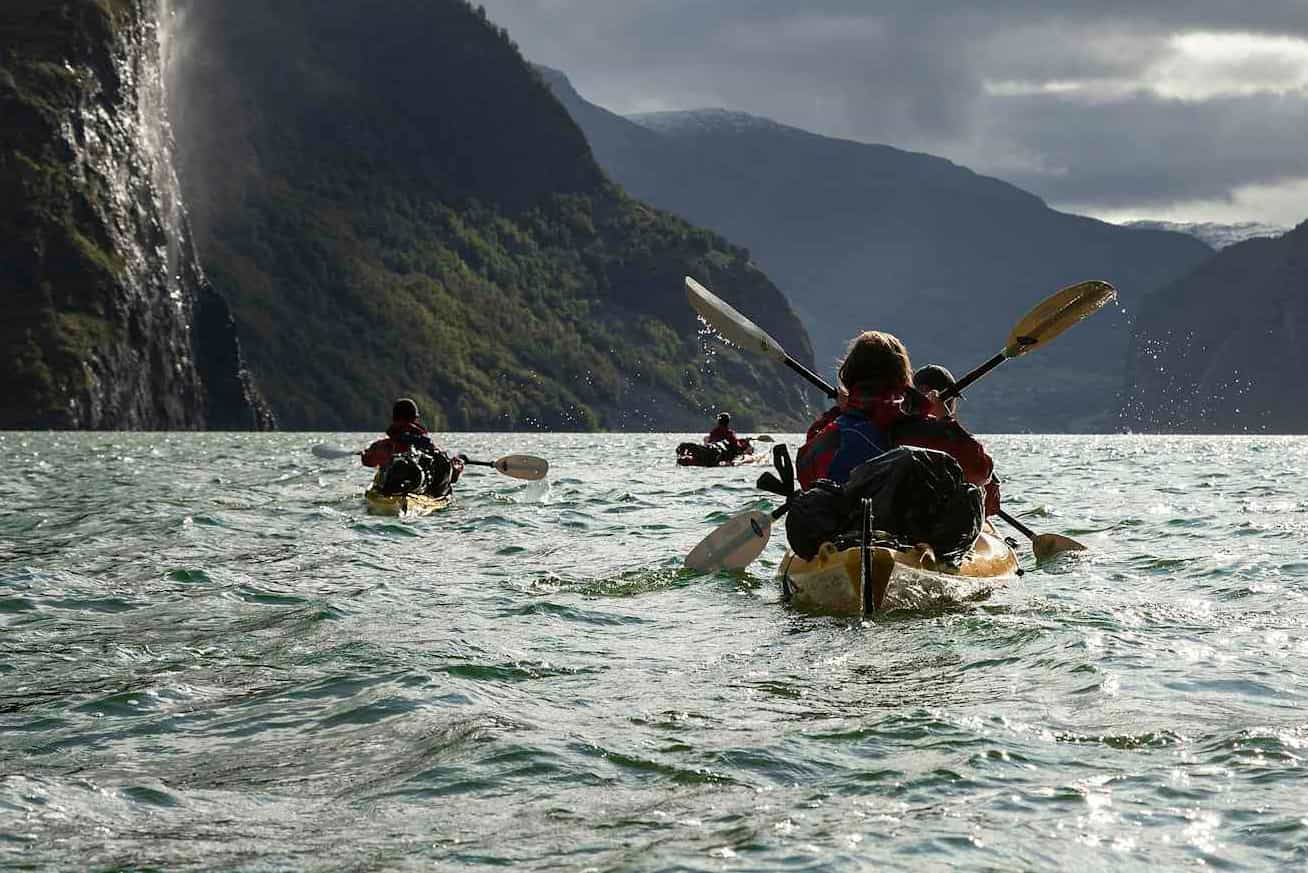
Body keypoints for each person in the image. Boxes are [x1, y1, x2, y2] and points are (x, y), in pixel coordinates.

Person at [795, 334, 998, 514]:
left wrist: (838, 412)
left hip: (845, 535)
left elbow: (807, 478)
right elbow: (980, 471)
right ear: (903, 379)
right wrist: (945, 420)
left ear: (848, 378)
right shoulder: (930, 432)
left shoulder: (832, 434)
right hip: (918, 540)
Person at [896, 364, 1001, 516]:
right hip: (940, 524)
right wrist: (945, 420)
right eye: (951, 400)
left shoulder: (892, 429)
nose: (952, 406)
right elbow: (990, 503)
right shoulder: (958, 439)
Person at [362, 398, 463, 496]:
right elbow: (452, 477)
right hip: (419, 485)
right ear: (415, 418)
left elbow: (367, 461)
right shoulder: (427, 445)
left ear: (393, 418)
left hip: (393, 484)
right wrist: (457, 467)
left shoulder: (383, 445)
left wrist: (365, 453)